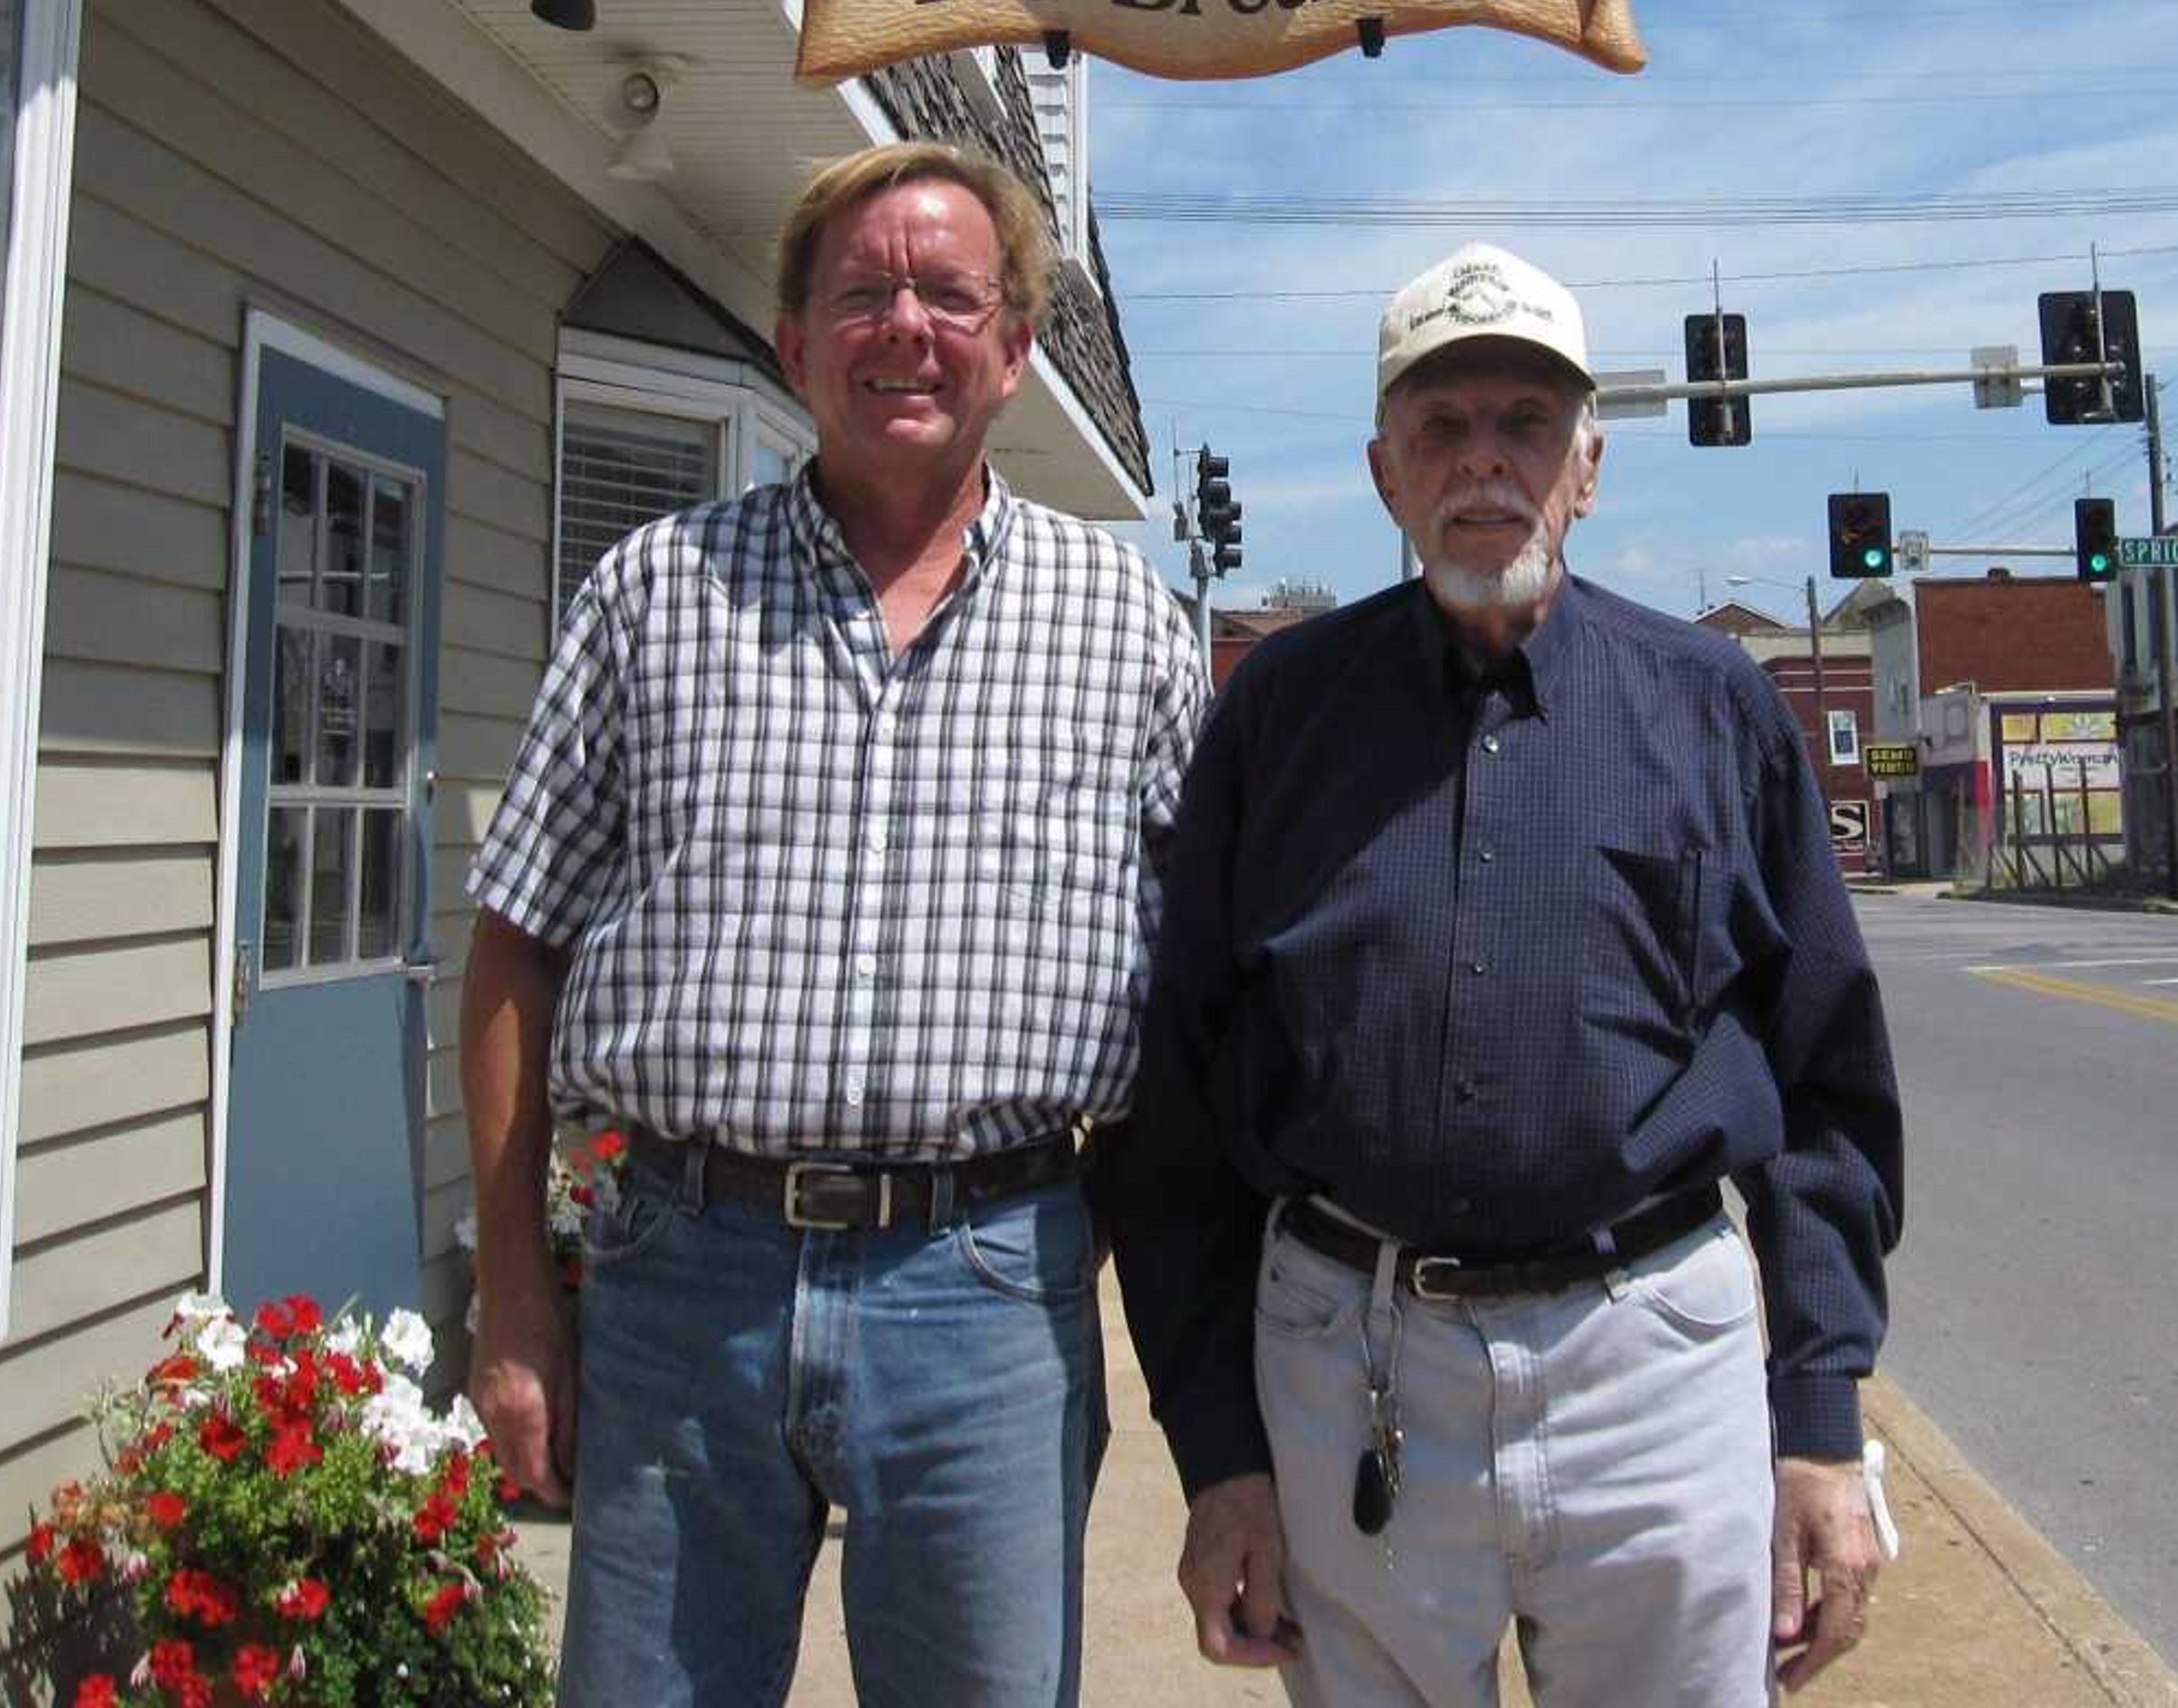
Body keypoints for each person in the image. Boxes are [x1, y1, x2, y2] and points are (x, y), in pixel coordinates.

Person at [462, 139, 1206, 1708]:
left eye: (950, 293)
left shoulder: (1130, 627)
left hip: (991, 1287)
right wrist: (518, 1298)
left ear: (1015, 347)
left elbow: (1197, 1000)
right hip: (682, 1279)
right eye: (860, 295)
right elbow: (515, 939)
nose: (905, 328)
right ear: (794, 343)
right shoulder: (654, 595)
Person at [1112, 242, 1904, 1704]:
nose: (1486, 464)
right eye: (1443, 428)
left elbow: (1825, 1085)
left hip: (1656, 1367)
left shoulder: (1714, 708)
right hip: (1347, 1360)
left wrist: (1819, 1417)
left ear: (1588, 465)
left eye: (1525, 425)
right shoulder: (1279, 718)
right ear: (1384, 471)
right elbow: (1179, 1112)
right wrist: (1220, 1454)